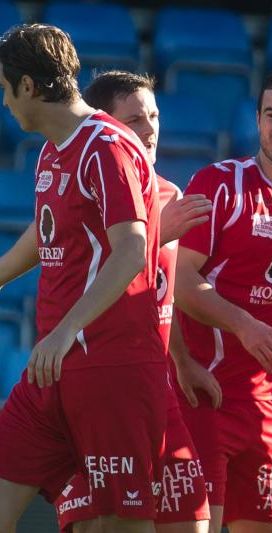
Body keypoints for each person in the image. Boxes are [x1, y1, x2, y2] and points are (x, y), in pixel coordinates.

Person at [0, 25, 166, 532]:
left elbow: (131, 251)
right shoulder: (53, 150)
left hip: (110, 368)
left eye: (5, 90)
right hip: (51, 370)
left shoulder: (107, 146)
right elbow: (48, 230)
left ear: (27, 86)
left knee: (115, 527)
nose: (5, 103)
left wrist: (67, 329)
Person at [171, 65, 272, 533]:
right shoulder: (220, 184)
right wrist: (244, 324)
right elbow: (179, 281)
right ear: (258, 121)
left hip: (263, 406)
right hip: (201, 396)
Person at [52, 70, 214, 532]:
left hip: (156, 382)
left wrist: (181, 360)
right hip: (100, 380)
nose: (149, 130)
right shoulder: (91, 191)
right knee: (97, 524)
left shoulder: (170, 194)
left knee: (191, 521)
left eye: (154, 116)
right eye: (134, 119)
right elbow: (92, 272)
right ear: (108, 126)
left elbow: (162, 293)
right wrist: (160, 227)